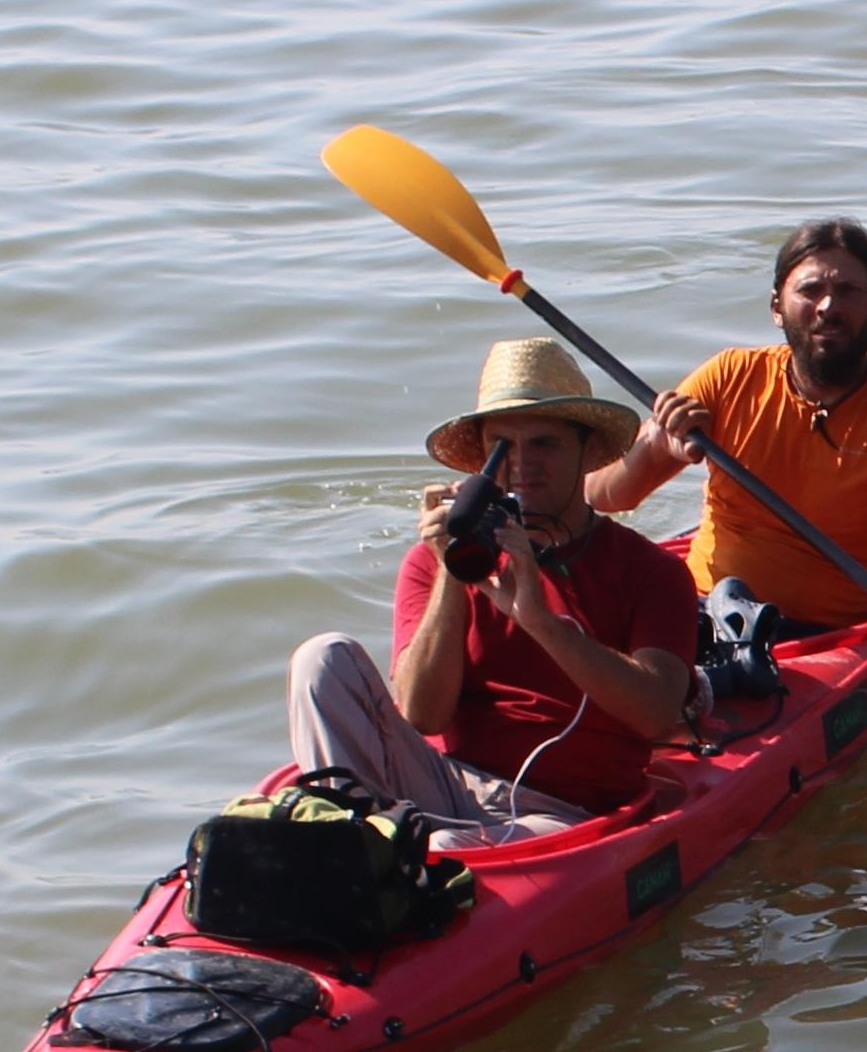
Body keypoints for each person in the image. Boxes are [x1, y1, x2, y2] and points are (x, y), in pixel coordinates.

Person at [282, 339, 704, 847]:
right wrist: (453, 572)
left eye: (544, 444)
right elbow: (421, 715)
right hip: (449, 782)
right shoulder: (438, 563)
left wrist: (541, 622)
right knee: (321, 658)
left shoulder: (649, 570)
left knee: (443, 848)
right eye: (502, 446)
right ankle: (347, 839)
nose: (522, 465)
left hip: (563, 813)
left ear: (588, 451)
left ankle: (389, 854)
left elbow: (657, 713)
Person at [584, 216, 867, 679]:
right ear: (777, 306)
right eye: (811, 290)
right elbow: (605, 496)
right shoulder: (728, 376)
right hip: (700, 607)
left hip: (820, 637)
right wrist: (655, 446)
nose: (827, 306)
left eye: (848, 291)